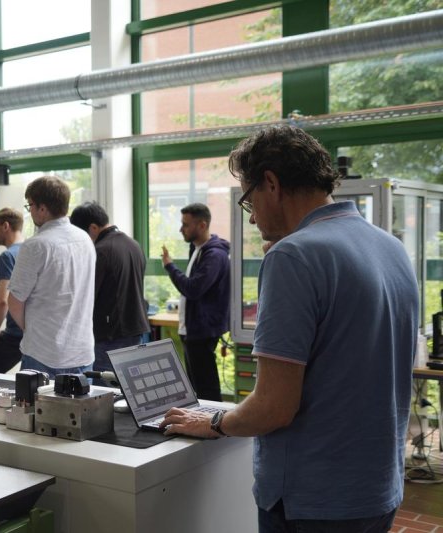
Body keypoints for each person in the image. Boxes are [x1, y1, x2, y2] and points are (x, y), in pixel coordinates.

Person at [160, 125, 419, 532]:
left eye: (249, 202)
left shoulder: (294, 257)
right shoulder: (390, 247)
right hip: (377, 490)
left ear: (271, 183)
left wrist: (211, 422)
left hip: (315, 499)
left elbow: (273, 408)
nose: (253, 216)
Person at [8, 176, 96, 377]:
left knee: (36, 409)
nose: (29, 211)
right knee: (84, 409)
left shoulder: (36, 245)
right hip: (82, 352)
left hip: (44, 355)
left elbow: (14, 302)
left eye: (30, 205)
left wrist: (32, 330)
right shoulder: (85, 238)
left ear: (42, 208)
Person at [70, 201, 149, 386]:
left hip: (110, 334)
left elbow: (88, 295)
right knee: (128, 388)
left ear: (93, 227)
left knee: (104, 394)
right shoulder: (133, 244)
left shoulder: (101, 251)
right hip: (135, 330)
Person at [161, 203, 230, 401]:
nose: (181, 229)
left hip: (202, 330)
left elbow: (193, 289)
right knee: (197, 387)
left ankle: (214, 427)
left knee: (206, 389)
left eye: (186, 225)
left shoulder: (214, 255)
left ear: (202, 225)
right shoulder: (198, 249)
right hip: (194, 329)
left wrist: (169, 266)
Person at [0, 207, 25, 373]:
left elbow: (3, 301)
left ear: (6, 226)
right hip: (32, 333)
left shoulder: (8, 256)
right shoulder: (31, 251)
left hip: (15, 335)